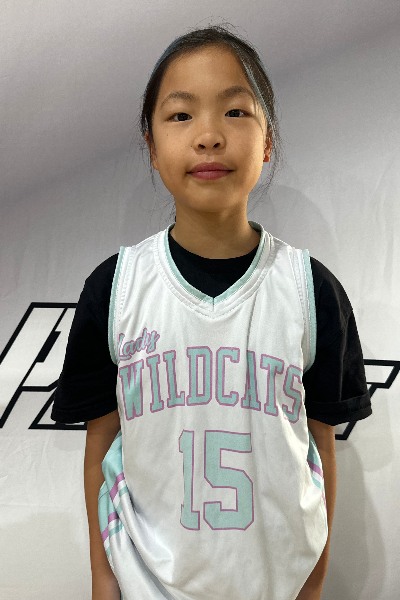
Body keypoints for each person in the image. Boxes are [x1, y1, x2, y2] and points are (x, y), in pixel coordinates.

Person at [51, 24, 372, 600]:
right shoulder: (115, 289)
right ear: (151, 146)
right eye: (180, 115)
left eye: (235, 112)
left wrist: (312, 581)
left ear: (268, 141)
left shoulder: (311, 290)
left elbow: (320, 449)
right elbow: (101, 446)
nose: (208, 136)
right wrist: (103, 576)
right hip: (147, 584)